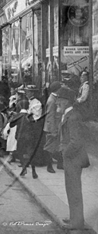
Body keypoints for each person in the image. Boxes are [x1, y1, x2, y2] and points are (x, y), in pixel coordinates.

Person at [56, 86, 89, 231]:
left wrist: (65, 152)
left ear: (66, 101)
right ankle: (73, 217)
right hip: (71, 158)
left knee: (74, 190)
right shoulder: (68, 114)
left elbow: (75, 141)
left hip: (74, 159)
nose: (57, 102)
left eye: (59, 100)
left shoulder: (73, 117)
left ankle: (77, 223)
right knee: (70, 189)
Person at [43, 81, 63, 173]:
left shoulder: (55, 98)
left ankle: (60, 164)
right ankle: (49, 166)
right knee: (50, 147)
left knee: (58, 146)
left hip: (56, 126)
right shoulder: (52, 100)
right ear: (57, 89)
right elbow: (50, 117)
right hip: (52, 127)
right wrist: (53, 130)